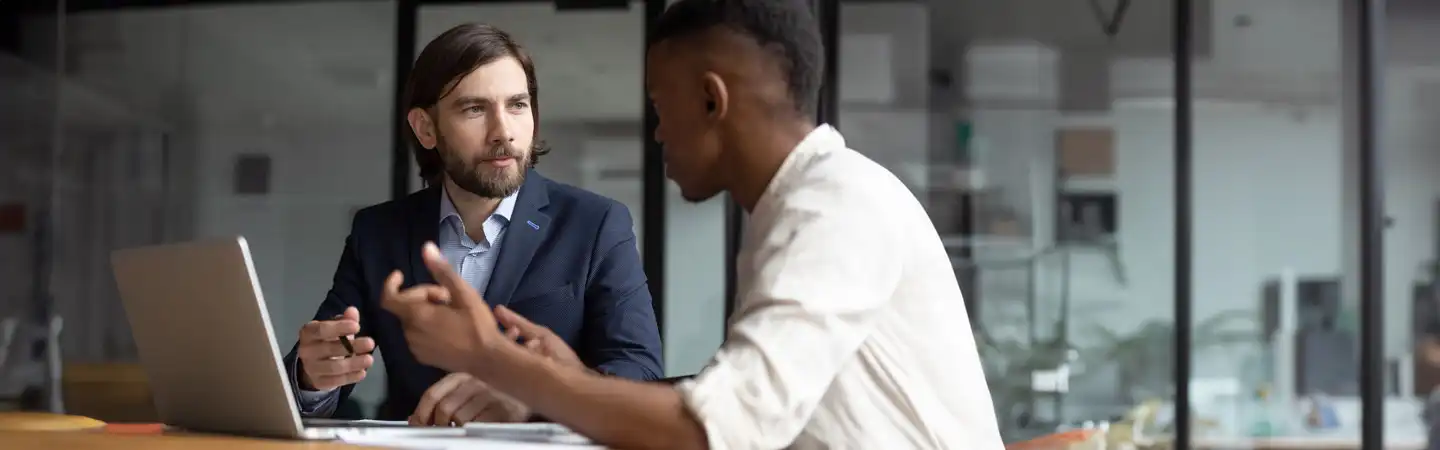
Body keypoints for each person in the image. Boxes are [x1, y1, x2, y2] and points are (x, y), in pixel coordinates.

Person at [379, 0, 1004, 448]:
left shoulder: (832, 208)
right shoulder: (797, 206)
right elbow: (732, 397)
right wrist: (569, 382)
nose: (656, 132)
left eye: (659, 104)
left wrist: (498, 360)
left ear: (711, 100)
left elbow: (713, 431)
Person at [282, 23, 664, 426]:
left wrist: (537, 397)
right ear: (426, 129)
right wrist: (313, 376)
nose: (504, 132)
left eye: (517, 105)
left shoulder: (596, 223)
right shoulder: (378, 233)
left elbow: (641, 374)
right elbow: (328, 355)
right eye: (475, 109)